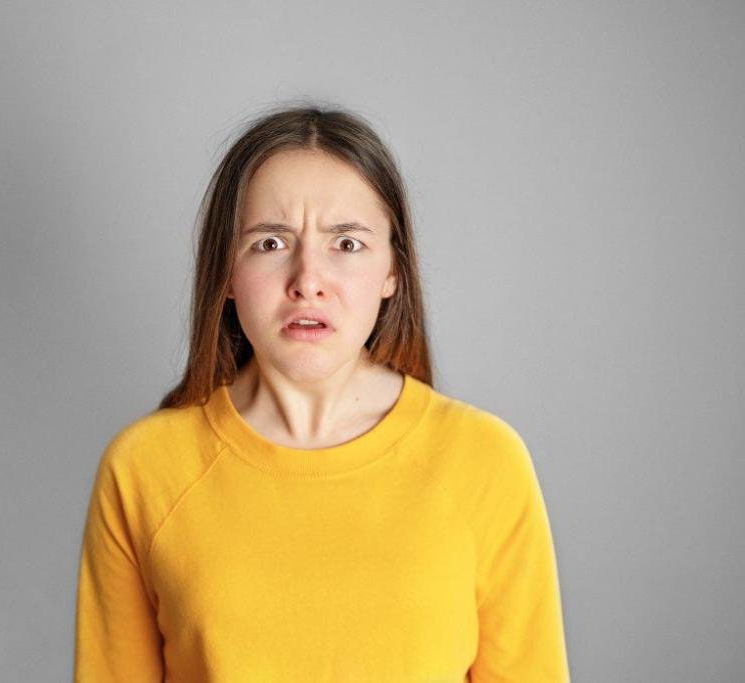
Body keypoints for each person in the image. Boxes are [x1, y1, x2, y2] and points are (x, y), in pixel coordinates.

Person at [73, 104, 570, 682]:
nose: (307, 280)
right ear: (226, 274)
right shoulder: (144, 469)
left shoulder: (484, 462)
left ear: (394, 272)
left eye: (348, 244)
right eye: (270, 243)